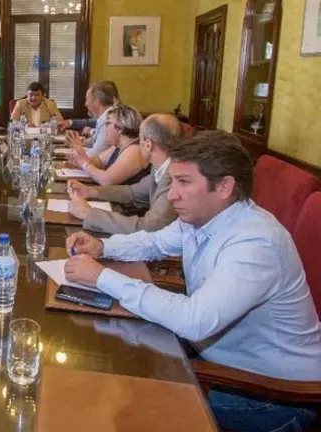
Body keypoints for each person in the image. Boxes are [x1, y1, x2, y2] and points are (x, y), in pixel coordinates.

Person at [64, 131, 321, 432]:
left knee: (122, 401)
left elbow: (194, 321)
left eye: (184, 182)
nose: (172, 195)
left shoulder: (256, 243)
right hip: (219, 359)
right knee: (112, 363)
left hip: (273, 395)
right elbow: (154, 242)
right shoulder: (204, 215)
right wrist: (102, 247)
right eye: (172, 181)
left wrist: (102, 277)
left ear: (224, 187)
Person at [66, 114, 181, 234]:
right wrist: (90, 191)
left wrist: (89, 213)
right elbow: (132, 192)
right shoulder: (160, 167)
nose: (138, 144)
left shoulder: (174, 178)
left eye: (140, 139)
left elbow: (147, 228)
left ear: (148, 145)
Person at [69, 104, 149, 186]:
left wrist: (85, 164)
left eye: (108, 123)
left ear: (120, 128)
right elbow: (99, 161)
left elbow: (106, 180)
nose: (105, 127)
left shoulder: (134, 150)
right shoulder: (118, 145)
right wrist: (80, 158)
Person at [67, 81, 119, 157]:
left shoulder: (108, 120)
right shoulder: (104, 116)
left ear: (96, 102)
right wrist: (82, 142)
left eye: (87, 99)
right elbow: (95, 141)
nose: (85, 104)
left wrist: (76, 147)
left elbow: (94, 155)